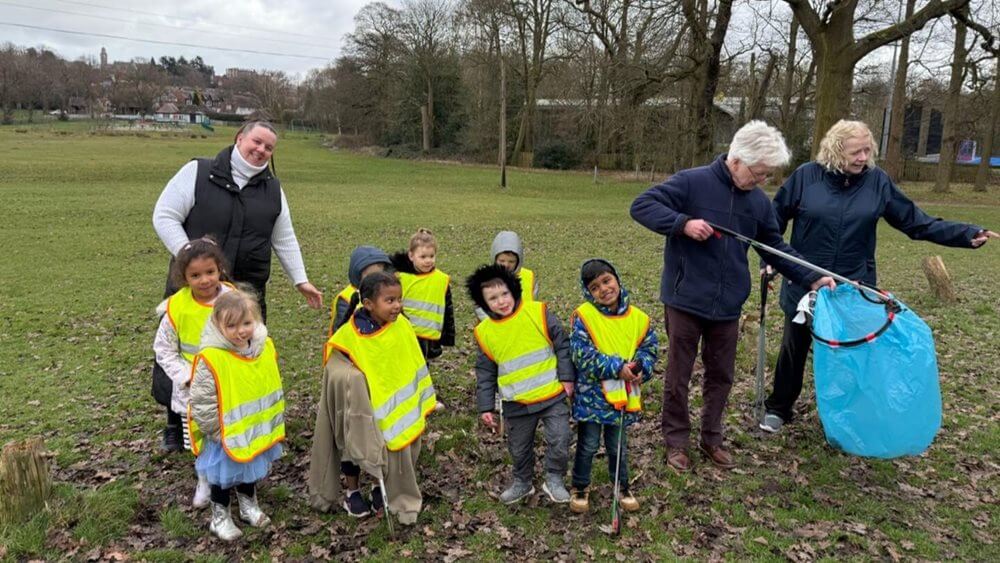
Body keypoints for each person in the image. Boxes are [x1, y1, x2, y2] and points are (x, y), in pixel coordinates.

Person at [758, 119, 999, 433]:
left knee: (855, 353)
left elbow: (917, 223)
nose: (863, 158)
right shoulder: (806, 177)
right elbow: (771, 224)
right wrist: (772, 261)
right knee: (795, 347)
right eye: (856, 152)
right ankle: (779, 408)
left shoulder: (878, 182)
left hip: (854, 285)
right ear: (834, 149)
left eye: (867, 151)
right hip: (805, 279)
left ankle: (851, 417)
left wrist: (966, 233)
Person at [629, 120, 835, 473]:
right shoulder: (692, 182)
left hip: (728, 305)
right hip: (685, 298)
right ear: (737, 160)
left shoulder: (757, 202)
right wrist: (683, 224)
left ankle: (712, 437)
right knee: (678, 375)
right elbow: (642, 206)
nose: (763, 181)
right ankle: (676, 440)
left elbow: (774, 246)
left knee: (721, 374)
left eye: (768, 175)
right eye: (759, 173)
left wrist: (812, 277)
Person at [152, 120, 323, 320]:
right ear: (240, 138)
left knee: (242, 349)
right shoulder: (197, 171)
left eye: (268, 147)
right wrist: (189, 255)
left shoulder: (274, 190)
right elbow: (165, 215)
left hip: (245, 296)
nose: (261, 150)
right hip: (193, 290)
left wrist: (300, 280)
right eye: (257, 141)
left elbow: (284, 239)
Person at [309, 271, 435, 525]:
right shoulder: (349, 335)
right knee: (352, 446)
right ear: (368, 304)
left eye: (399, 299)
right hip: (359, 407)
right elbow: (335, 368)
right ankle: (352, 490)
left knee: (391, 444)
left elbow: (410, 361)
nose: (398, 305)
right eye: (390, 301)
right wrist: (353, 380)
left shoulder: (402, 326)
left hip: (394, 409)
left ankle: (383, 487)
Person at [467, 264, 574, 504]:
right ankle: (522, 482)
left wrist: (567, 377)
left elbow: (562, 345)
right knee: (519, 448)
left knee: (560, 438)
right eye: (493, 298)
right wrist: (485, 407)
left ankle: (554, 478)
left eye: (504, 293)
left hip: (552, 395)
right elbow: (485, 372)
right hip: (516, 403)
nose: (502, 301)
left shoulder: (537, 312)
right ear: (484, 304)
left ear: (514, 290)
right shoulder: (485, 332)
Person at [188, 290, 285, 542]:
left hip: (251, 427)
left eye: (246, 323)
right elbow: (202, 401)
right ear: (217, 325)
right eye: (231, 325)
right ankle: (219, 516)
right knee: (222, 476)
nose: (240, 331)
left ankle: (248, 505)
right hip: (223, 433)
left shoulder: (261, 349)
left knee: (250, 467)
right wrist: (216, 431)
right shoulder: (211, 358)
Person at [568, 259, 657, 514]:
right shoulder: (584, 317)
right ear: (588, 292)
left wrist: (641, 369)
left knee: (618, 445)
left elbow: (649, 350)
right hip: (591, 397)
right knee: (588, 444)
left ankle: (622, 484)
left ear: (616, 279)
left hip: (623, 396)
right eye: (595, 287)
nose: (604, 289)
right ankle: (581, 485)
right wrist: (617, 367)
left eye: (607, 281)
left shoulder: (639, 318)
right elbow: (582, 355)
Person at [152, 237, 233, 503]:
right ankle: (204, 480)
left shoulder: (233, 299)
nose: (205, 280)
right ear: (184, 277)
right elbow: (163, 348)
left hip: (228, 379)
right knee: (199, 433)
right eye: (195, 275)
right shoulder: (178, 306)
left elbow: (250, 332)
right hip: (194, 384)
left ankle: (234, 476)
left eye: (210, 272)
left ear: (219, 268)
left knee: (228, 429)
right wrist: (185, 375)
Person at [390, 229, 455, 360]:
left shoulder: (441, 280)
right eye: (423, 257)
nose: (428, 261)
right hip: (405, 333)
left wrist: (448, 336)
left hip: (428, 337)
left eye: (431, 256)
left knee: (423, 367)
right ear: (411, 256)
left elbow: (448, 308)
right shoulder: (401, 278)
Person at [329, 245, 393, 336]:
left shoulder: (387, 291)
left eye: (379, 274)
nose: (375, 279)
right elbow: (340, 330)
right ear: (358, 276)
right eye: (369, 276)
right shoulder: (346, 298)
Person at [474, 231, 538, 320]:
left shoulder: (529, 277)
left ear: (518, 261)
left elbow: (534, 305)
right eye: (502, 261)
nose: (506, 265)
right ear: (495, 259)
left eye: (511, 261)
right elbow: (481, 309)